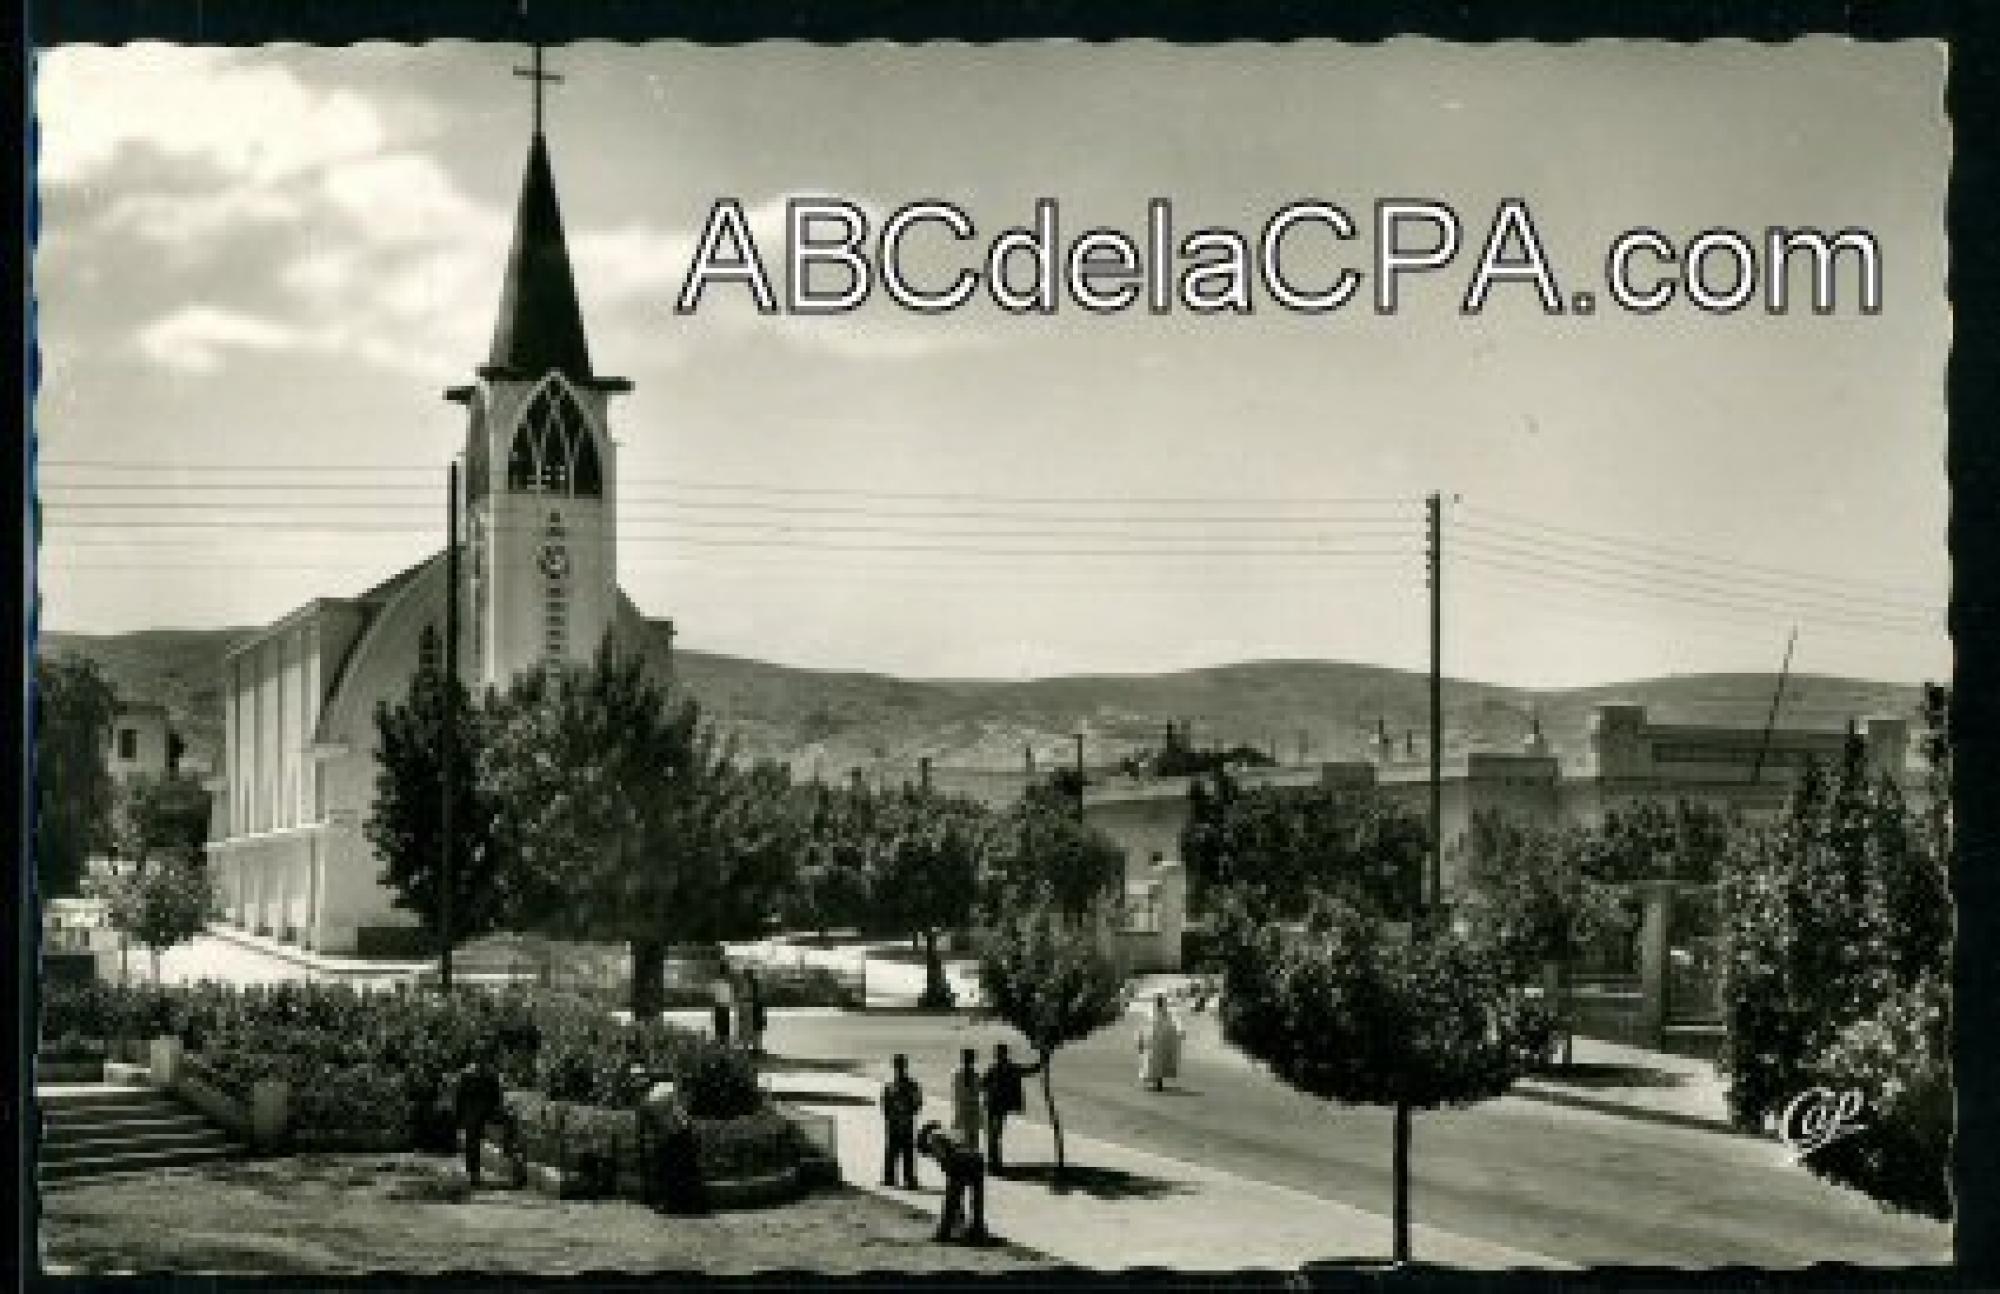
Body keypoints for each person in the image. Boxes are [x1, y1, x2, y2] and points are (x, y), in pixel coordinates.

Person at [636, 1069, 704, 1214]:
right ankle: (687, 1203)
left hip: (668, 1137)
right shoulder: (669, 1089)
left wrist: (646, 1145)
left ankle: (670, 1204)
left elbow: (647, 1129)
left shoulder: (647, 1101)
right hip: (684, 1133)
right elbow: (683, 1110)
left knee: (668, 1171)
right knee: (684, 1169)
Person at [917, 1120, 989, 1243]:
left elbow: (945, 1158)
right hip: (977, 1159)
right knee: (976, 1200)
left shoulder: (933, 1138)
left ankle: (944, 1232)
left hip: (960, 1162)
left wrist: (950, 1175)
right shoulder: (947, 1132)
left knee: (951, 1200)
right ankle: (977, 1230)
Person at [979, 1043, 1044, 1174]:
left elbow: (982, 1085)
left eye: (997, 1053)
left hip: (993, 1105)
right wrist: (1043, 1059)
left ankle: (994, 1163)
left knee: (992, 1135)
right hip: (1000, 1105)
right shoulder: (1009, 1068)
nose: (997, 1056)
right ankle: (994, 1162)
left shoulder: (994, 1069)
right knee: (995, 1134)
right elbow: (1031, 1070)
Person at [453, 1045, 507, 1188]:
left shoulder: (471, 1073)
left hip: (475, 1113)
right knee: (473, 1143)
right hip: (479, 1112)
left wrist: (459, 1115)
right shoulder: (484, 1073)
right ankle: (473, 1173)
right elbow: (496, 1095)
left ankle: (473, 1172)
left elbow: (460, 1096)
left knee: (473, 1143)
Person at [879, 1052, 923, 1189]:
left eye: (900, 1065)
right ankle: (900, 1179)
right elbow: (917, 1103)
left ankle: (900, 1179)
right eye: (898, 1065)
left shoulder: (892, 1085)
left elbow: (917, 1103)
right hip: (900, 1122)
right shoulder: (897, 1085)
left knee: (900, 1151)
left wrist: (895, 1115)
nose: (899, 1068)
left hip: (900, 1122)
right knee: (897, 1151)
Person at [1138, 992, 1183, 1092]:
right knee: (1152, 1060)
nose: (1159, 1003)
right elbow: (1145, 1027)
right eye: (1158, 1001)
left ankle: (1159, 1081)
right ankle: (1155, 1080)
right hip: (1152, 1041)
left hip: (1160, 1041)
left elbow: (1171, 1026)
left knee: (1159, 1061)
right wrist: (1142, 1039)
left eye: (1160, 1001)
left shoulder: (1166, 1014)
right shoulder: (1151, 1013)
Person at [949, 1047, 983, 1153]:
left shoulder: (960, 1076)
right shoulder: (974, 1076)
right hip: (970, 1110)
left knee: (967, 1142)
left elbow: (957, 1095)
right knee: (970, 1142)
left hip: (966, 1110)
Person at [739, 968, 767, 1054]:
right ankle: (756, 1048)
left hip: (751, 1008)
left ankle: (751, 1049)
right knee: (756, 1030)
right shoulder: (755, 984)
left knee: (750, 1029)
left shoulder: (748, 985)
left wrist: (743, 1001)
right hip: (756, 1008)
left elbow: (747, 996)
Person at [711, 971, 734, 1047]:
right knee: (725, 1025)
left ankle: (720, 1042)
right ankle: (725, 1042)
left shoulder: (716, 983)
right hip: (725, 1006)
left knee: (719, 1025)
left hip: (719, 1006)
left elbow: (713, 995)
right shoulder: (728, 983)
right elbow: (730, 996)